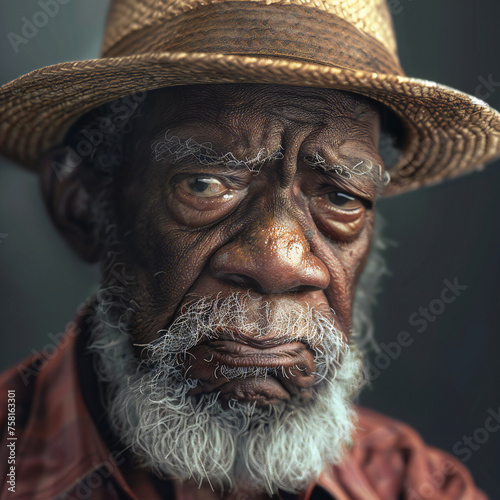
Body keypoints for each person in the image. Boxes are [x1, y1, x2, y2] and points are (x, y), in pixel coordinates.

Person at [0, 0, 498, 498]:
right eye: (204, 184)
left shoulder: (417, 486)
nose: (280, 262)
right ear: (83, 206)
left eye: (341, 197)